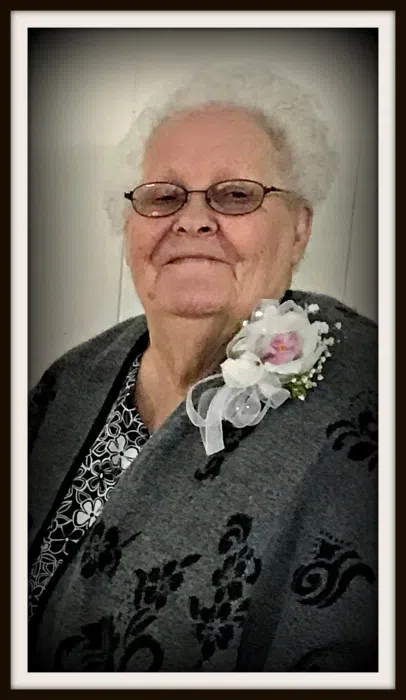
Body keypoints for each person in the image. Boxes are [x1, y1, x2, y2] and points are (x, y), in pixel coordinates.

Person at [28, 62, 377, 672]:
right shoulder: (72, 381)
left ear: (300, 229)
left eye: (236, 194)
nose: (191, 219)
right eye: (163, 196)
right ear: (130, 227)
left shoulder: (368, 391)